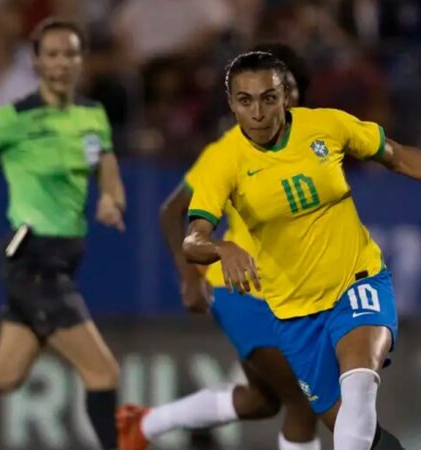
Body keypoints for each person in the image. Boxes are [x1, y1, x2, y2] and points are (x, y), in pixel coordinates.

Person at [180, 50, 421, 450]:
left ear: (285, 96)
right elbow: (192, 240)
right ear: (232, 104)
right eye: (245, 101)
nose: (258, 112)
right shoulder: (224, 162)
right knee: (361, 438)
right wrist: (221, 247)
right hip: (294, 313)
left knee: (360, 382)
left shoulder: (326, 126)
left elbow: (397, 157)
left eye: (268, 98)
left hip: (357, 280)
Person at [0, 18, 124, 450]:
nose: (60, 63)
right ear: (36, 61)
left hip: (61, 262)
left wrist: (112, 198)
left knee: (4, 375)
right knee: (103, 372)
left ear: (80, 60)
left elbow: (105, 160)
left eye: (69, 53)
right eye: (51, 54)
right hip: (34, 263)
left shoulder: (92, 115)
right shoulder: (12, 120)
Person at [116, 43, 321, 450]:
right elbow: (171, 212)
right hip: (241, 291)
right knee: (302, 401)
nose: (282, 101)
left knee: (263, 400)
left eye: (289, 92)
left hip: (289, 296)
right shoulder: (231, 149)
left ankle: (145, 424)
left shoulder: (314, 145)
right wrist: (189, 274)